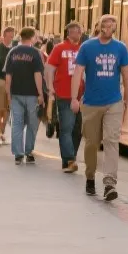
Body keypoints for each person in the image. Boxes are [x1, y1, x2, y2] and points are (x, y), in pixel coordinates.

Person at [71, 14, 128, 201]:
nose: (108, 27)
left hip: (113, 102)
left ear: (114, 28)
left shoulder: (120, 48)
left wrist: (126, 100)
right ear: (99, 26)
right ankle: (90, 176)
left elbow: (127, 75)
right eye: (105, 24)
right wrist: (74, 98)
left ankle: (109, 183)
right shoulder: (87, 47)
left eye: (112, 24)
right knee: (91, 143)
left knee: (112, 140)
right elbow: (78, 73)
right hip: (90, 103)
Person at [45, 22, 85, 173]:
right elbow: (49, 68)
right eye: (74, 31)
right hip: (64, 93)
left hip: (82, 96)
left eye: (79, 31)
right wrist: (50, 87)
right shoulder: (60, 48)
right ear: (68, 33)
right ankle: (69, 159)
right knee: (66, 128)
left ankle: (69, 159)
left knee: (78, 130)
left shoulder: (84, 49)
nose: (77, 33)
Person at [4, 27, 45, 165]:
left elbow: (8, 75)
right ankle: (28, 151)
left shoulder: (12, 52)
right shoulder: (35, 53)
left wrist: (8, 93)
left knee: (17, 123)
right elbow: (37, 74)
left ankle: (18, 154)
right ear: (32, 37)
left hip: (16, 93)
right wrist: (40, 93)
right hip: (32, 94)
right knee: (32, 124)